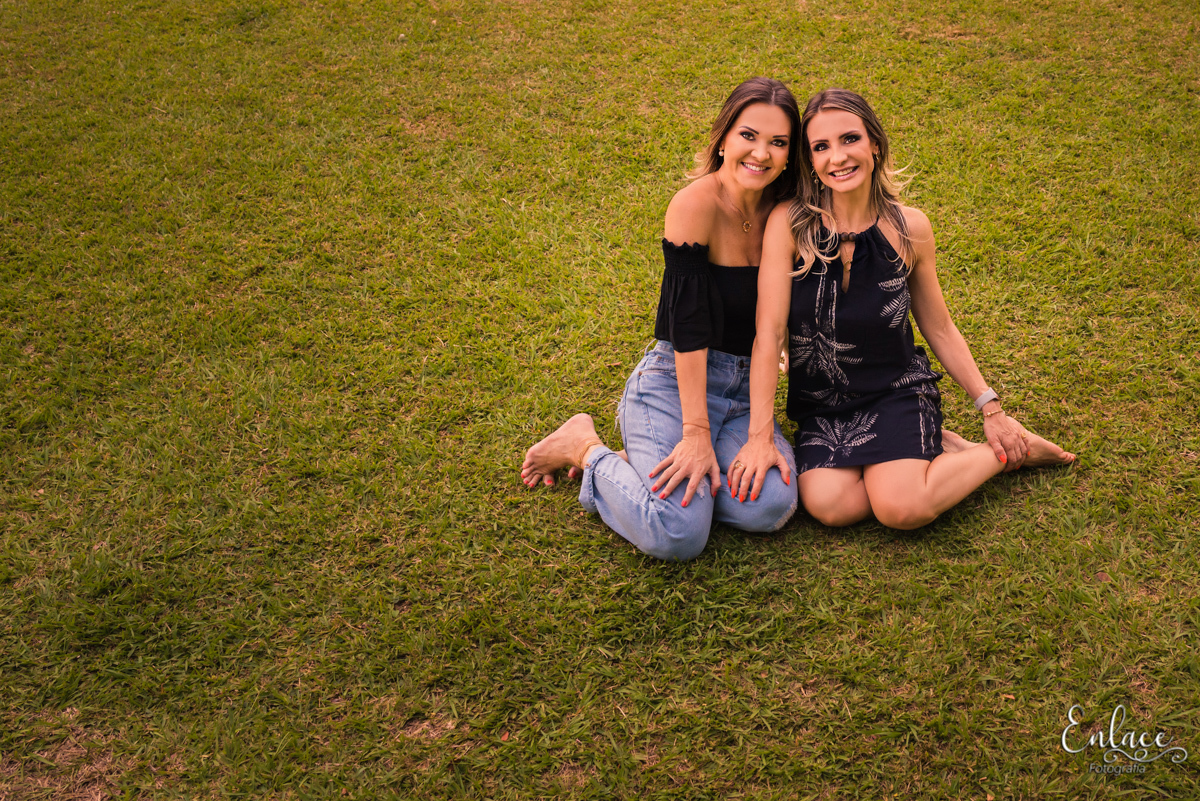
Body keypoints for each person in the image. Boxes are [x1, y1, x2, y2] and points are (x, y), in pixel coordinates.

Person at [730, 88, 1075, 529]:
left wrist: (991, 409)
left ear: (874, 142)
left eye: (849, 139)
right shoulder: (791, 225)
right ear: (811, 162)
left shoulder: (909, 228)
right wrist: (760, 436)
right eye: (821, 147)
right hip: (825, 403)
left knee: (900, 508)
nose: (837, 157)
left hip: (896, 390)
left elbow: (940, 327)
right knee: (832, 507)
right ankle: (938, 447)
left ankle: (1003, 450)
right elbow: (768, 331)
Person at [520, 78, 802, 561]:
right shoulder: (695, 205)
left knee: (770, 506)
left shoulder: (788, 212)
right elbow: (689, 329)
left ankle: (648, 462)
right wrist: (694, 434)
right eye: (749, 135)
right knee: (677, 534)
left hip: (744, 389)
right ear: (723, 138)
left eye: (778, 143)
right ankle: (586, 447)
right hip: (677, 381)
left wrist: (760, 430)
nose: (761, 153)